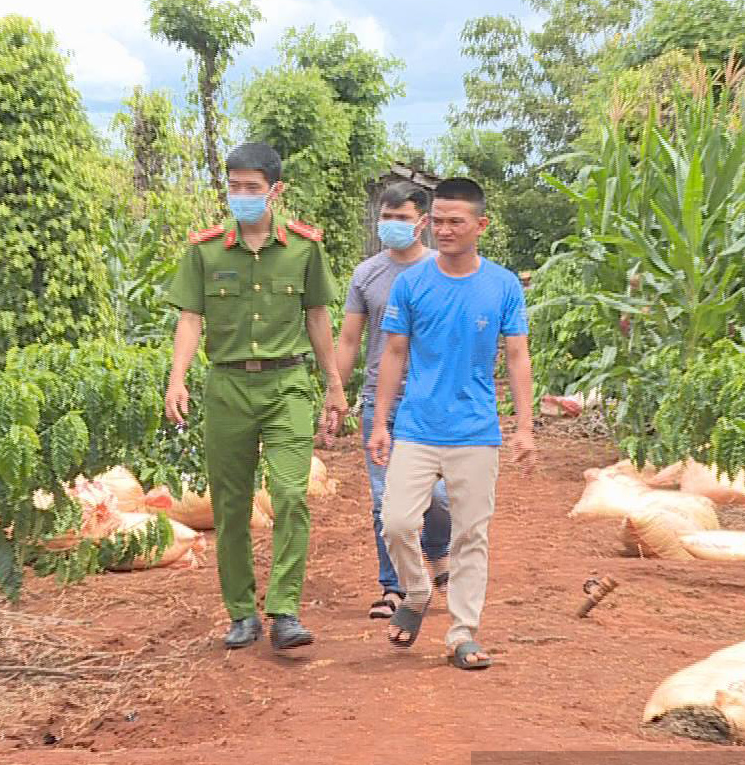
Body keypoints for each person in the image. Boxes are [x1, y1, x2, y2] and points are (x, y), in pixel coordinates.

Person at [164, 142, 346, 652]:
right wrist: (177, 378)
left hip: (287, 384)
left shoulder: (305, 248)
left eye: (252, 187)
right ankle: (241, 613)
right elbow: (190, 319)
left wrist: (333, 384)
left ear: (275, 191)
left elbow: (317, 318)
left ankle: (285, 609)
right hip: (226, 388)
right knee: (232, 505)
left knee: (290, 495)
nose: (241, 196)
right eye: (234, 186)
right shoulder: (204, 251)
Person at [367, 176, 535, 670]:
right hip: (416, 427)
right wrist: (380, 423)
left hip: (476, 432)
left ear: (480, 225)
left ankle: (462, 633)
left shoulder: (502, 284)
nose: (443, 229)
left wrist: (523, 428)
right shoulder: (412, 282)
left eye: (454, 221)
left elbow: (518, 356)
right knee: (395, 521)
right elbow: (393, 353)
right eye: (436, 220)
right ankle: (416, 592)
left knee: (470, 537)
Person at [333, 182, 452, 622]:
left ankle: (438, 551)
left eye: (402, 218)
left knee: (438, 495)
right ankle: (394, 586)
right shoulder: (367, 274)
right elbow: (348, 339)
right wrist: (335, 395)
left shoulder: (443, 271)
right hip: (377, 404)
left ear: (422, 222)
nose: (393, 225)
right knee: (385, 499)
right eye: (387, 217)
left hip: (431, 403)